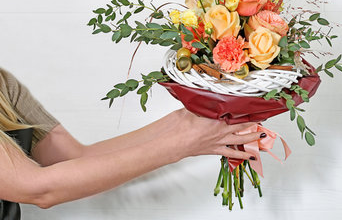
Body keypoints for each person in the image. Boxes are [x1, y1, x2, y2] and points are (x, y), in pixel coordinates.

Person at [0, 67, 262, 218]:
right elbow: (37, 189)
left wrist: (186, 120)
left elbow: (72, 160)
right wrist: (181, 145)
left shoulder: (3, 84)